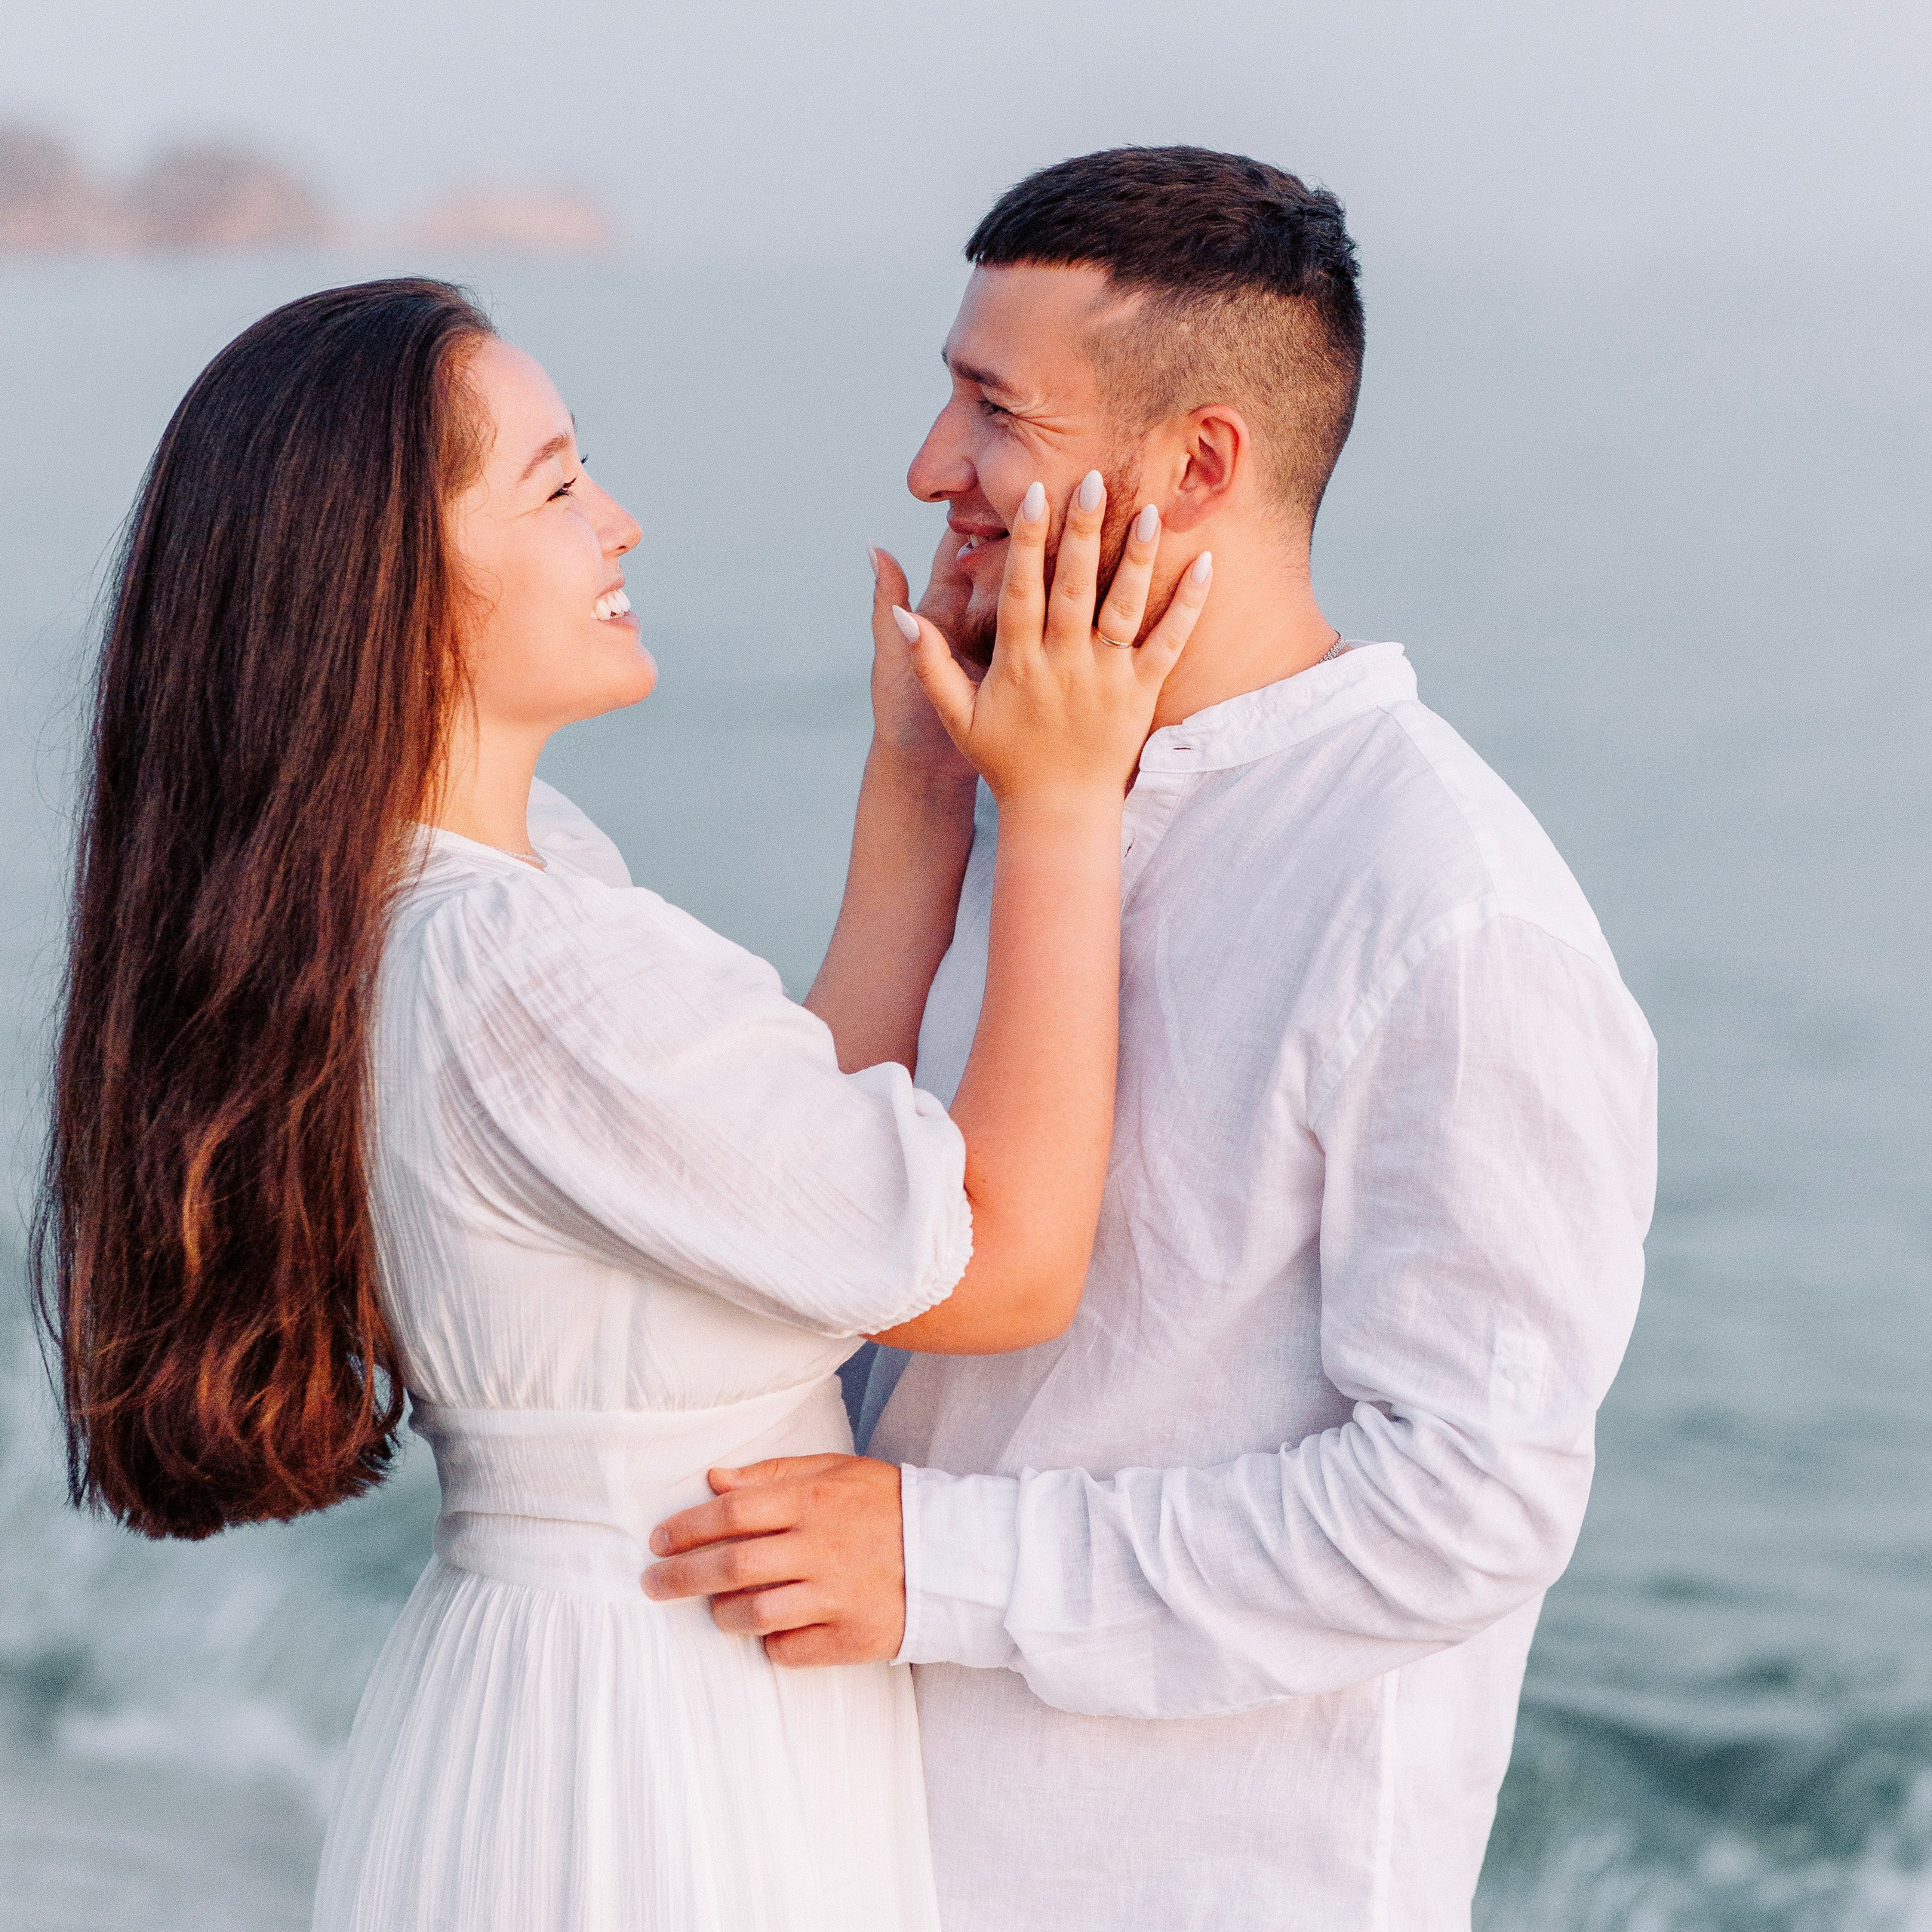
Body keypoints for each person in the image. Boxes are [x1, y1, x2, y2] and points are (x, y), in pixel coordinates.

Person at [35, 276, 1210, 1930]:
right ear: (390, 586)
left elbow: (779, 1176)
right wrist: (1067, 800)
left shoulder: (445, 905)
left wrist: (922, 783)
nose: (620, 521)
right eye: (557, 485)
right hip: (652, 1731)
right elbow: (1001, 1263)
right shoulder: (521, 963)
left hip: (567, 1678)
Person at [644, 147, 1660, 1930]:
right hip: (856, 1848)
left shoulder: (1445, 905)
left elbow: (1465, 1501)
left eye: (994, 410)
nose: (929, 466)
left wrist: (938, 1560)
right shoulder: (1036, 793)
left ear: (1198, 463)